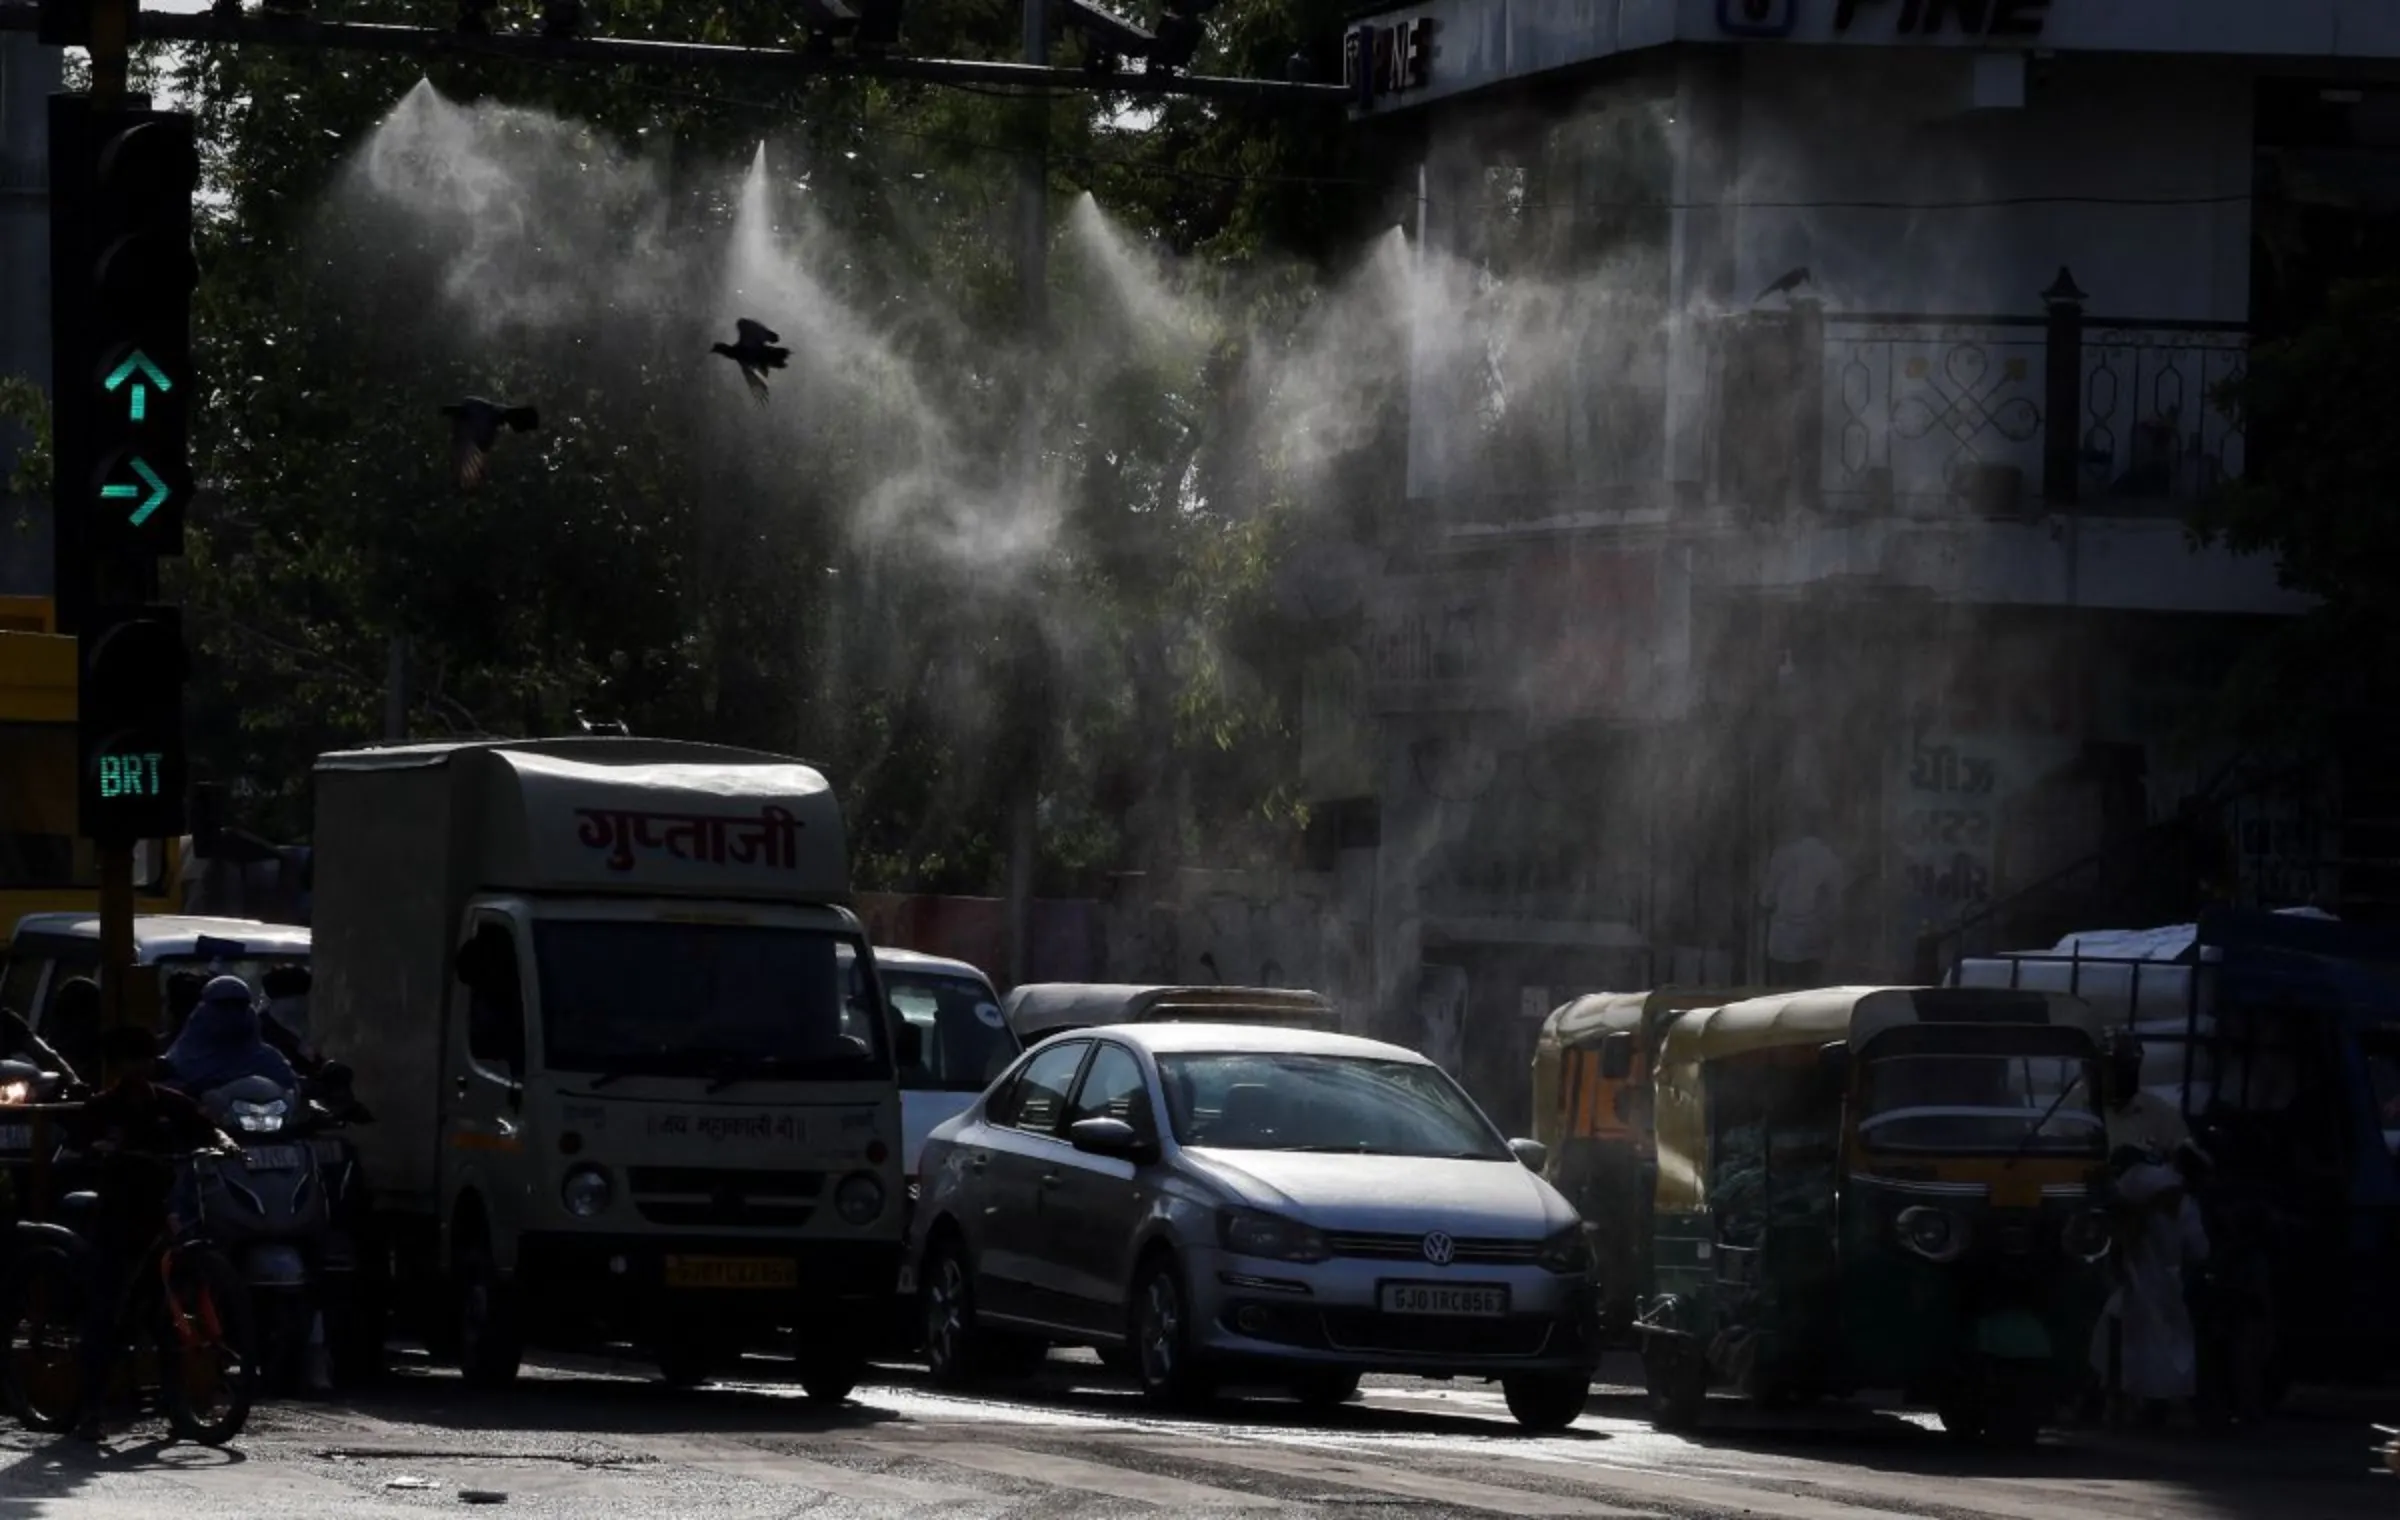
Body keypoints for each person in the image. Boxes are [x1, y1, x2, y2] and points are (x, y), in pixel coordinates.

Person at [61, 1023, 240, 1442]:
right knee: (107, 1312)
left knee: (165, 1313)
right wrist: (96, 1152)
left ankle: (178, 1405)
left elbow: (207, 1128)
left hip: (163, 1215)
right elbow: (70, 1152)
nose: (138, 1068)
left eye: (143, 1059)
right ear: (117, 1066)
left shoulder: (172, 1104)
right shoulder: (101, 1108)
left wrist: (225, 1142)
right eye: (129, 1061)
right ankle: (90, 1408)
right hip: (117, 1219)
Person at [2092, 1150, 2210, 1428]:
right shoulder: (2183, 1206)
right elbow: (2199, 1250)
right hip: (2168, 1288)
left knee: (2124, 1341)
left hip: (2134, 1286)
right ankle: (2149, 1405)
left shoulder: (2133, 1208)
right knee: (2165, 1349)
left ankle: (2119, 1405)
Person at [160, 976, 296, 1097]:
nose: (231, 1015)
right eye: (222, 1007)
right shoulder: (181, 1059)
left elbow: (290, 1085)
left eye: (239, 1006)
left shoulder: (269, 1058)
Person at [1760, 827, 1844, 984]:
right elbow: (1835, 903)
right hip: (1813, 941)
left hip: (1782, 942)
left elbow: (1766, 899)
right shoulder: (1830, 858)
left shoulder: (1782, 855)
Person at [2103, 1030, 2190, 1158]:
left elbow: (2184, 1157)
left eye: (2125, 1069)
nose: (2117, 1078)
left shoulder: (2159, 1113)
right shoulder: (2076, 1111)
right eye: (2109, 1069)